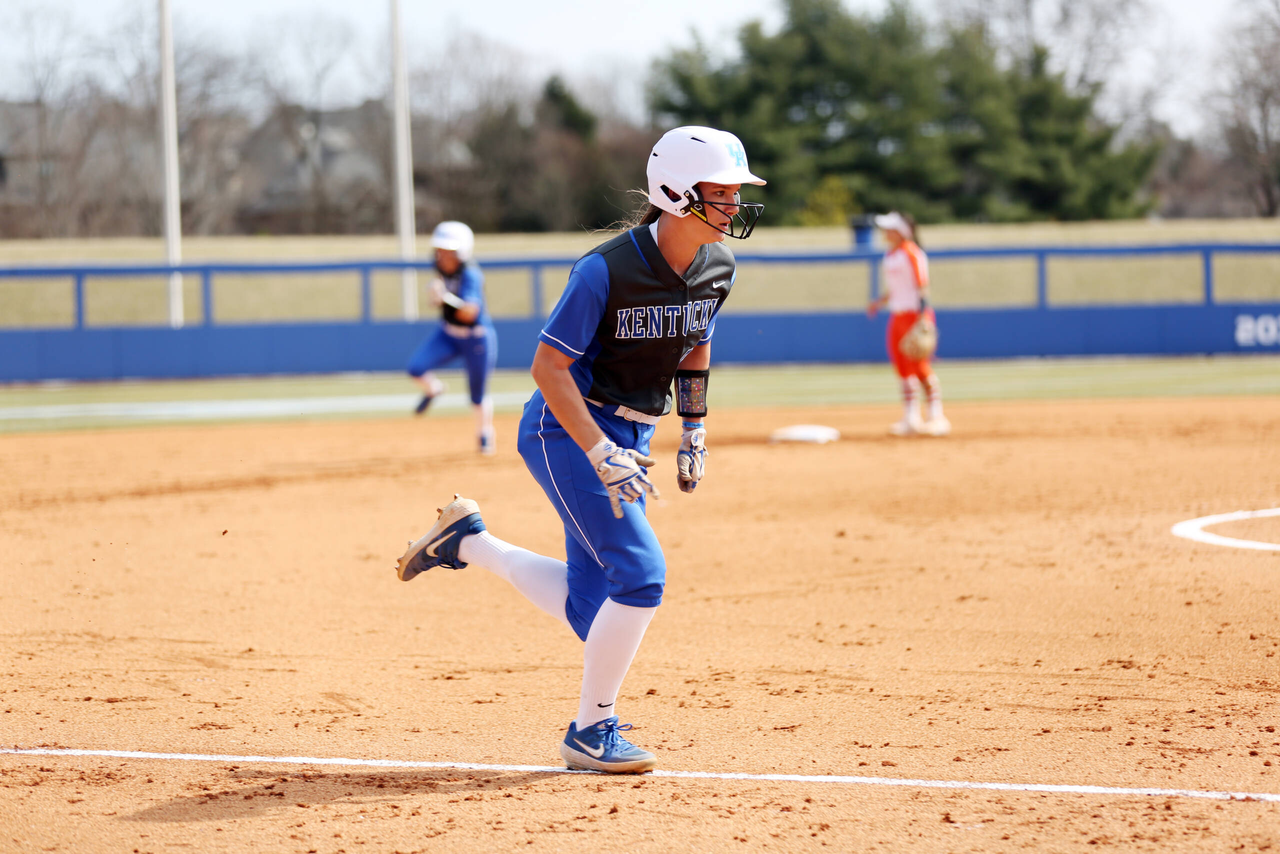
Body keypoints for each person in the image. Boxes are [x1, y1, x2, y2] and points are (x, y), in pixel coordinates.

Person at [394, 126, 765, 774]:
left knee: (594, 614)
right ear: (677, 193)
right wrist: (598, 451)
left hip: (632, 435)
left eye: (738, 193)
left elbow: (696, 340)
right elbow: (548, 368)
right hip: (566, 431)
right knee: (642, 578)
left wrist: (695, 427)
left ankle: (467, 541)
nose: (734, 206)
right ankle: (592, 730)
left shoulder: (719, 268)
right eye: (723, 193)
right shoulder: (605, 270)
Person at [406, 220, 498, 454]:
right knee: (416, 368)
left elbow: (470, 312)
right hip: (448, 334)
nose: (442, 255)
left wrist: (444, 297)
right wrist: (437, 297)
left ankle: (485, 433)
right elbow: (440, 302)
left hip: (477, 338)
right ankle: (434, 389)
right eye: (439, 250)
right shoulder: (439, 271)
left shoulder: (471, 275)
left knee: (477, 394)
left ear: (462, 252)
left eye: (448, 251)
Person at [866, 211, 949, 437]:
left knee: (920, 366)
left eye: (890, 228)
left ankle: (937, 415)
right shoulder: (891, 254)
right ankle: (911, 418)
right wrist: (879, 302)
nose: (885, 232)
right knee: (902, 366)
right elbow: (896, 288)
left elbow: (922, 286)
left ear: (902, 231)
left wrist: (923, 317)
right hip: (898, 314)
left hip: (915, 315)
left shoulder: (913, 253)